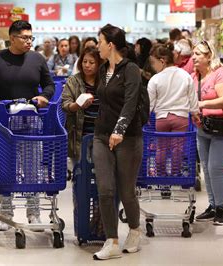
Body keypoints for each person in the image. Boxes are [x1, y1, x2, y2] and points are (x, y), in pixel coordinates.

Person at [0, 20, 54, 231]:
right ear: (12, 38)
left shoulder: (37, 59)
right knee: (5, 168)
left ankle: (34, 214)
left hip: (31, 122)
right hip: (4, 123)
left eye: (31, 37)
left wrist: (44, 96)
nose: (29, 41)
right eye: (25, 37)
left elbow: (49, 85)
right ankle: (6, 213)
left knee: (32, 169)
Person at [92, 24, 143, 260]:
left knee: (126, 192)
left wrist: (119, 130)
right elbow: (106, 100)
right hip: (101, 136)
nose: (97, 45)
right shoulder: (103, 70)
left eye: (99, 41)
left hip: (128, 138)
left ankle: (134, 230)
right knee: (105, 189)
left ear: (110, 44)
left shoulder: (131, 69)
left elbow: (131, 102)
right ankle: (111, 241)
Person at [191, 40, 223, 225]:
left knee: (215, 167)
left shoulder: (221, 74)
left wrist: (201, 104)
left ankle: (220, 209)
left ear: (209, 56)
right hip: (203, 126)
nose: (193, 57)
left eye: (198, 54)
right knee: (206, 167)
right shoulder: (195, 76)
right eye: (193, 54)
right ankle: (212, 206)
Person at [147, 43, 199, 176]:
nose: (153, 66)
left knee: (161, 148)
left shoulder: (155, 79)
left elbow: (150, 103)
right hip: (181, 118)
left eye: (153, 63)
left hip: (162, 118)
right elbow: (192, 96)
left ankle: (162, 174)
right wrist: (194, 112)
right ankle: (176, 173)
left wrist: (146, 116)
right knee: (178, 148)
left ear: (162, 61)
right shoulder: (185, 75)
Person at [62, 47, 103, 175]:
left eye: (91, 62)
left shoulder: (104, 81)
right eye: (84, 61)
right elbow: (65, 104)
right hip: (78, 135)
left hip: (100, 135)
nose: (87, 65)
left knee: (99, 173)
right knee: (80, 174)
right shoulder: (73, 81)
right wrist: (77, 105)